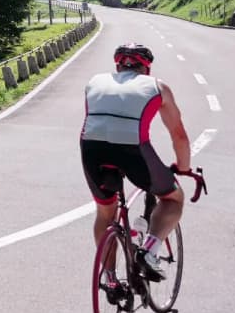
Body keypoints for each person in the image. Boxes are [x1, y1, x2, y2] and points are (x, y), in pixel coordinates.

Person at [81, 42, 191, 284]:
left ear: (118, 66)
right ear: (147, 68)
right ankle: (149, 251)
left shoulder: (94, 82)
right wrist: (183, 167)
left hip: (91, 149)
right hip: (132, 151)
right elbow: (178, 135)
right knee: (173, 198)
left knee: (105, 212)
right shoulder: (158, 87)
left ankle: (110, 279)